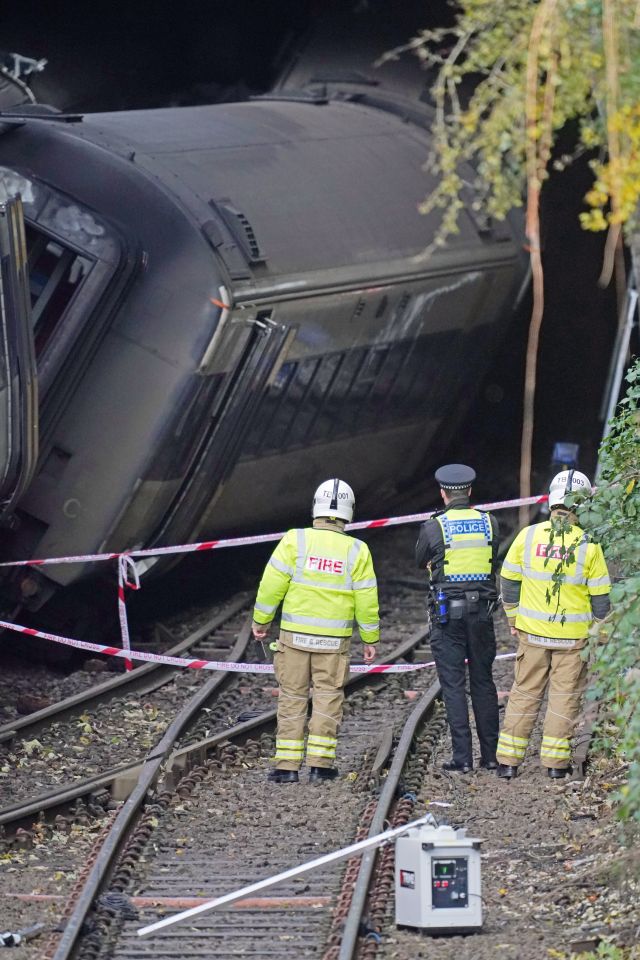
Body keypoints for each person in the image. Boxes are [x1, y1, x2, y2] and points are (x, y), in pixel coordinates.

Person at [252, 479, 380, 784]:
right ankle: (321, 765)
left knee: (292, 697)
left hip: (294, 637)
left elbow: (272, 585)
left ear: (315, 508)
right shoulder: (357, 550)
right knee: (327, 696)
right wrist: (370, 637)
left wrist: (261, 620)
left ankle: (286, 767)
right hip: (333, 641)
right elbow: (367, 598)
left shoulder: (295, 541)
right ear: (348, 512)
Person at [497, 469, 611, 780]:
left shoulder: (528, 536)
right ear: (582, 505)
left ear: (550, 502)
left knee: (524, 693)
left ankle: (508, 762)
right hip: (573, 640)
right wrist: (600, 633)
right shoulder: (590, 545)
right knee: (564, 698)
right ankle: (555, 766)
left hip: (532, 634)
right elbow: (601, 599)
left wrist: (513, 617)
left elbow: (508, 579)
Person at [415, 463, 500, 773]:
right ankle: (491, 757)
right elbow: (493, 557)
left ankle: (462, 758)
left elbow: (420, 559)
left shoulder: (433, 526)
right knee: (483, 682)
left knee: (453, 685)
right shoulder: (490, 522)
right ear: (470, 492)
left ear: (443, 493)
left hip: (447, 618)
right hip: (482, 616)